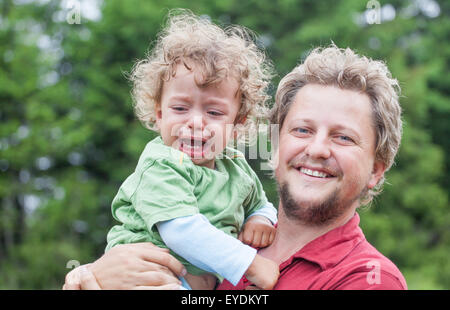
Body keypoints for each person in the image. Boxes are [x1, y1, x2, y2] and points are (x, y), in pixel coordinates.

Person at [64, 44, 407, 290]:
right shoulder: (230, 234)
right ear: (274, 146)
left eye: (343, 138)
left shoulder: (366, 277)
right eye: (301, 130)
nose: (316, 149)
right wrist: (92, 278)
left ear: (377, 169)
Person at [85, 10, 280, 290]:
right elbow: (180, 230)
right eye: (180, 108)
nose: (196, 123)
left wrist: (260, 219)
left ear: (238, 124)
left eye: (213, 112)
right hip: (145, 275)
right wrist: (251, 263)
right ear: (160, 113)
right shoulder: (162, 163)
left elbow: (261, 203)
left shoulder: (236, 167)